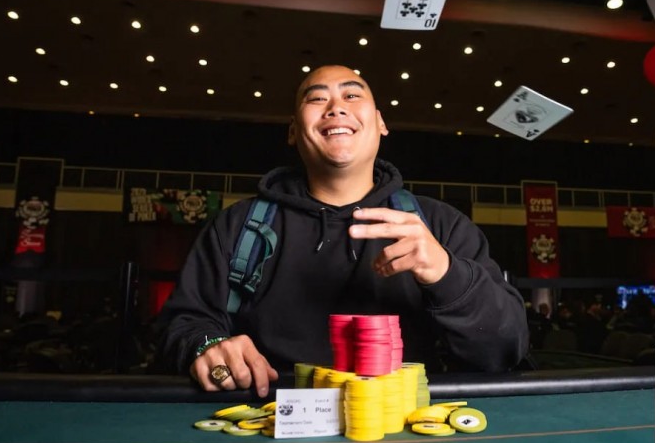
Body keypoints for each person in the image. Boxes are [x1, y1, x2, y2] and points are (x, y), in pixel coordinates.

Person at [155, 65, 529, 396]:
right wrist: (208, 346)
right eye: (317, 99)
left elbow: (505, 350)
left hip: (405, 428)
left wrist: (446, 273)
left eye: (352, 95)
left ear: (381, 123)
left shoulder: (440, 225)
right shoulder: (238, 226)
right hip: (268, 422)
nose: (336, 107)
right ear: (292, 131)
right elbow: (180, 326)